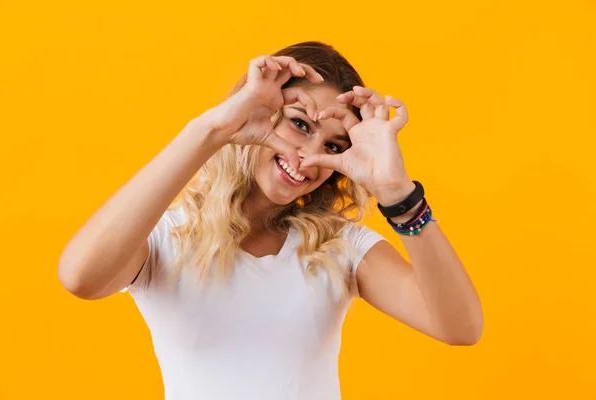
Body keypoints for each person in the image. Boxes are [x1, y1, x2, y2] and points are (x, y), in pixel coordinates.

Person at [58, 41, 483, 400]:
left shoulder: (340, 246)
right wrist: (214, 128)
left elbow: (459, 327)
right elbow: (81, 278)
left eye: (332, 145)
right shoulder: (167, 235)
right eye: (300, 125)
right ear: (259, 113)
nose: (308, 157)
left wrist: (397, 192)